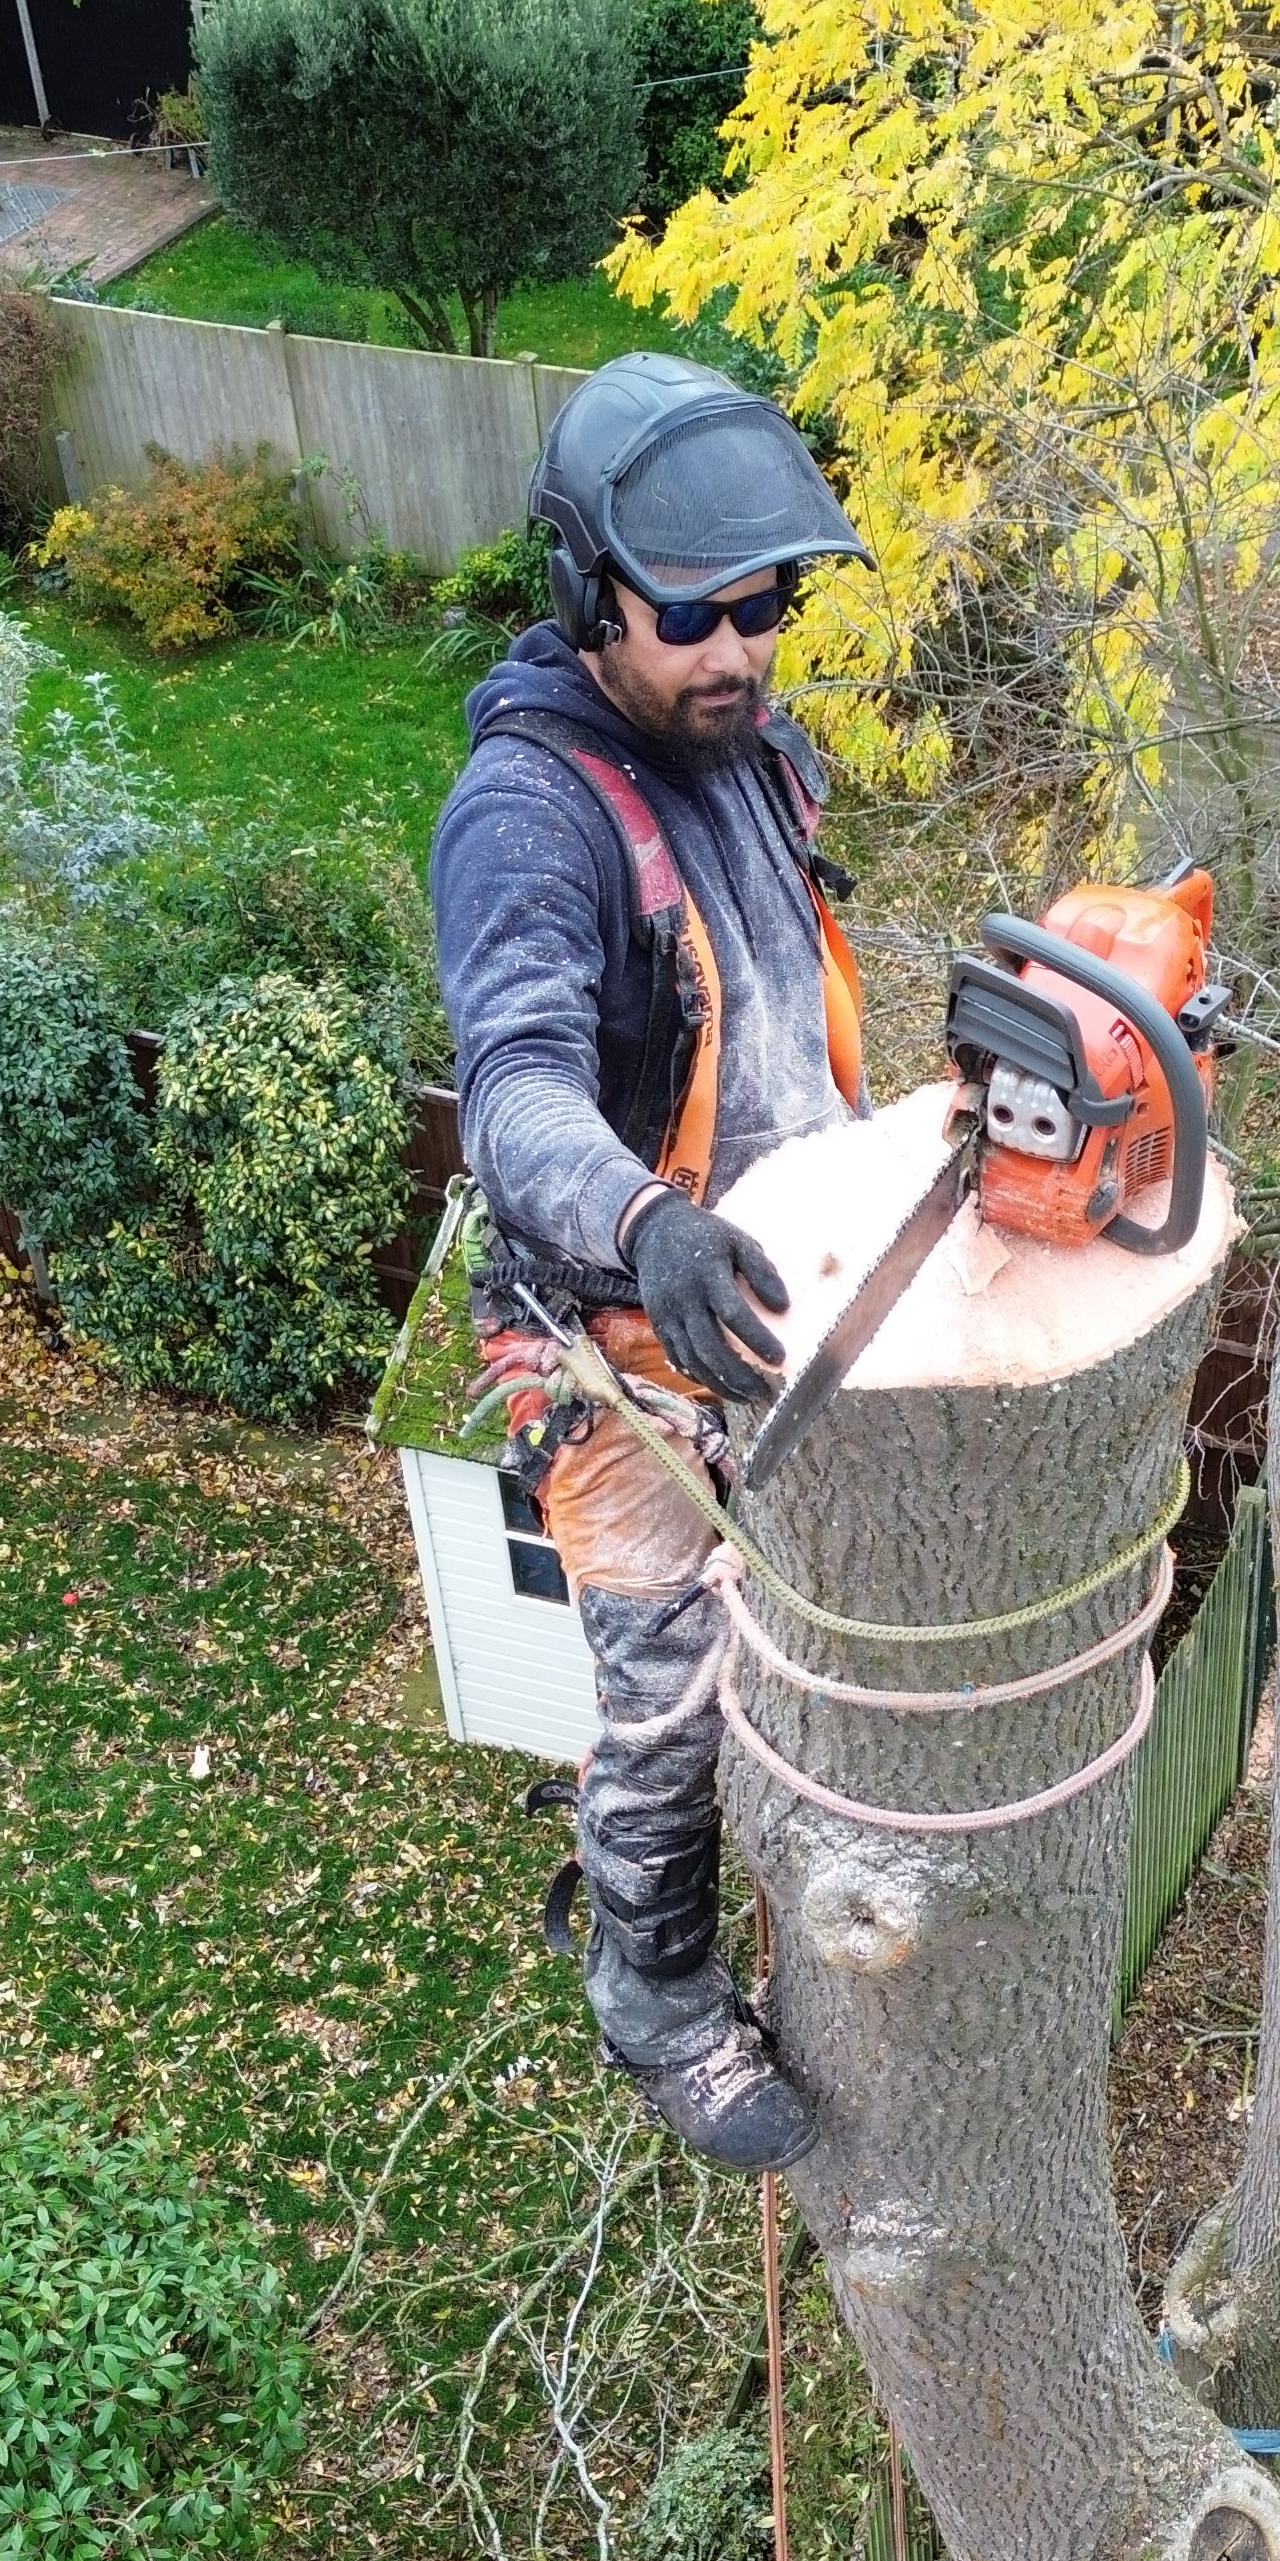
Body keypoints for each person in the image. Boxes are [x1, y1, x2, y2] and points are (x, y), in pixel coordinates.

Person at [430, 353, 874, 2171]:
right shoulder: (530, 819)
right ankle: (659, 1998)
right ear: (581, 595)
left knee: (836, 1617)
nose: (739, 648)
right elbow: (514, 1095)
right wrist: (643, 1223)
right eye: (690, 612)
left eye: (764, 605)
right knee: (673, 1689)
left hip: (767, 1291)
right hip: (615, 1329)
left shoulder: (749, 761)